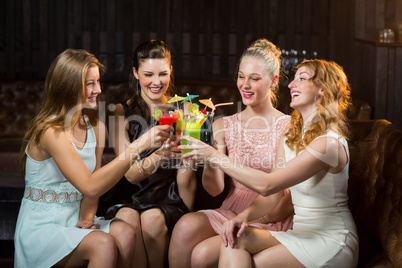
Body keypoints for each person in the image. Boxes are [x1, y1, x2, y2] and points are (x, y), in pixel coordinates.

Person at [178, 59, 359, 267]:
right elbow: (271, 197)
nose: (291, 85)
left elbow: (268, 184)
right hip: (299, 233)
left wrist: (213, 156)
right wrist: (243, 217)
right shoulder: (291, 136)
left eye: (301, 79)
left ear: (322, 90)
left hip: (331, 238)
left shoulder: (329, 144)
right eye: (292, 79)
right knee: (234, 239)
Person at [14, 48, 172, 268]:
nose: (97, 89)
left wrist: (87, 219)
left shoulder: (96, 127)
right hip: (43, 226)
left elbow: (94, 186)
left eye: (97, 82)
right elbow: (90, 186)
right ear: (68, 86)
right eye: (89, 83)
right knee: (103, 244)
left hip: (75, 217)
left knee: (126, 231)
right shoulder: (50, 132)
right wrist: (141, 145)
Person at [168, 38, 295, 268]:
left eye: (254, 79)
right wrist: (206, 155)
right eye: (241, 76)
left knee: (201, 255)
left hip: (270, 213)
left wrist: (215, 156)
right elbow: (214, 189)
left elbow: (290, 192)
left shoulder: (287, 126)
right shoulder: (223, 125)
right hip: (231, 209)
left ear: (274, 81)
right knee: (184, 227)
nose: (245, 85)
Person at [99, 40, 196, 268]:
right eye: (148, 74)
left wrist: (189, 212)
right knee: (128, 219)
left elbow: (188, 170)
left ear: (171, 71)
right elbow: (130, 175)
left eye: (163, 74)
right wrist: (161, 154)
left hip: (168, 197)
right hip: (129, 195)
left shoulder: (183, 111)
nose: (156, 82)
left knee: (152, 220)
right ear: (135, 73)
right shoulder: (120, 112)